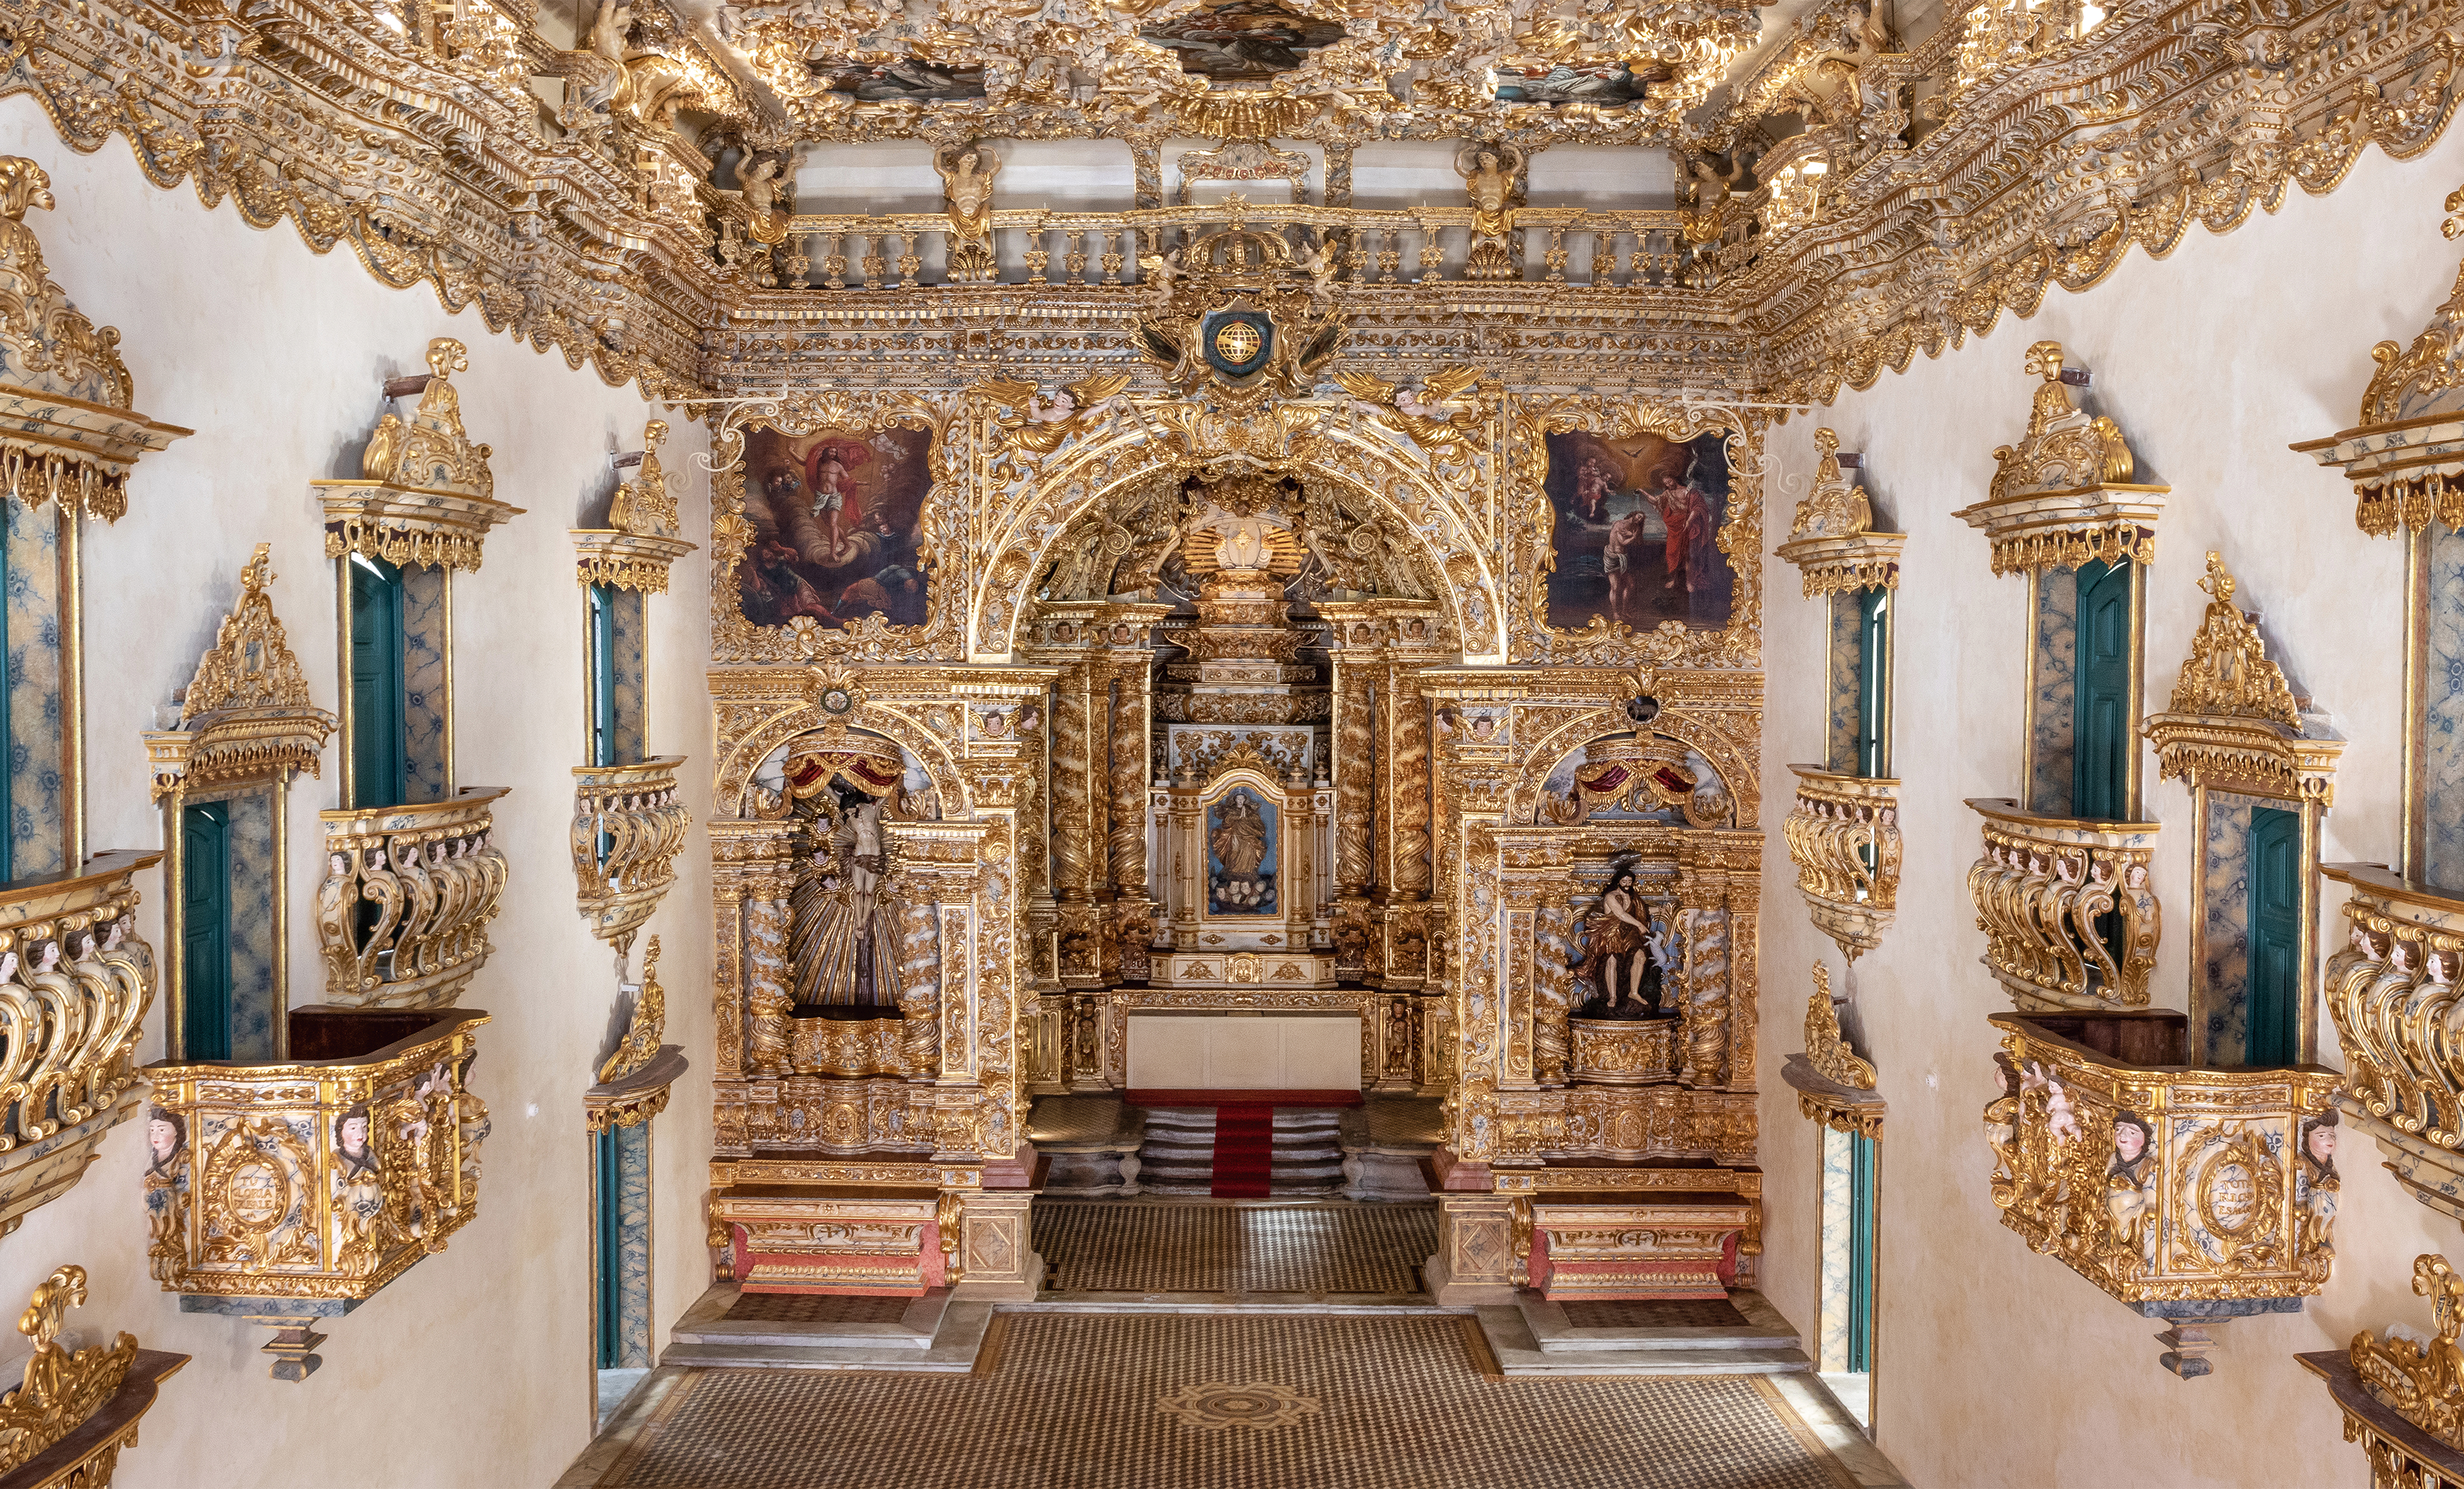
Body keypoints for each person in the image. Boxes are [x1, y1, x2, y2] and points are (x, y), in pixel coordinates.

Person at [2106, 1111, 2160, 1272]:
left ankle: (2133, 1252)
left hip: (2136, 1212)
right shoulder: (2113, 1159)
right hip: (2113, 1210)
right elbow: (2107, 1177)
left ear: (2144, 1139)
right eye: (2119, 1129)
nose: (2123, 1135)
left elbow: (2150, 1192)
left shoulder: (2147, 1164)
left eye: (2132, 1132)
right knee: (2116, 1233)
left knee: (2135, 1236)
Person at [1604, 509, 1649, 624]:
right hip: (1612, 557)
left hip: (1623, 558)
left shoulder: (1636, 529)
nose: (1639, 520)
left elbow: (1640, 543)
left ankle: (1624, 611)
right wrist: (1633, 537)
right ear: (1633, 515)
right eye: (1638, 517)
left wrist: (1634, 535)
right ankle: (1616, 613)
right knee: (1615, 587)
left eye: (1641, 519)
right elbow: (1623, 542)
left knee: (1631, 584)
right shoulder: (1620, 524)